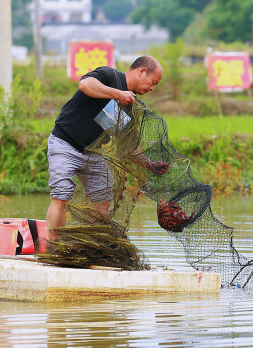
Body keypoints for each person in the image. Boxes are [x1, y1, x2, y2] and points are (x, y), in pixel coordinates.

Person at [46, 55, 167, 237]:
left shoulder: (131, 107)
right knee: (61, 197)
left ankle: (96, 246)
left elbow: (129, 146)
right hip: (65, 143)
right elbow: (84, 85)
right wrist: (118, 94)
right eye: (153, 82)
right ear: (142, 71)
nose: (152, 88)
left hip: (94, 153)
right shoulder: (109, 75)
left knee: (103, 202)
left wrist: (150, 164)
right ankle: (54, 248)